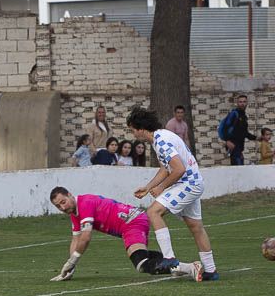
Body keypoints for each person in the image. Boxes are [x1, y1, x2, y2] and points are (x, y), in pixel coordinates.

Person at [128, 106, 219, 281]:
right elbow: (166, 168)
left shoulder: (161, 141)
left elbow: (178, 169)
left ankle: (169, 258)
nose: (133, 134)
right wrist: (148, 187)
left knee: (153, 212)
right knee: (196, 227)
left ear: (140, 128)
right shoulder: (161, 137)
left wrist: (161, 188)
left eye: (132, 130)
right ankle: (210, 270)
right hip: (193, 182)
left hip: (188, 184)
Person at [48, 187, 199, 281]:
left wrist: (73, 261)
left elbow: (86, 238)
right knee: (143, 260)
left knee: (141, 264)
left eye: (63, 201)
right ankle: (173, 265)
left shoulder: (85, 203)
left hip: (132, 222)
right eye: (58, 206)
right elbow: (76, 239)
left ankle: (189, 267)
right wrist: (70, 267)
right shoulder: (74, 213)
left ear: (69, 195)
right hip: (130, 224)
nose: (62, 207)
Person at [220, 93, 256, 165]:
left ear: (247, 103)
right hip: (233, 146)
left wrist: (256, 138)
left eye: (244, 102)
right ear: (237, 103)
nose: (242, 104)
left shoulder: (243, 116)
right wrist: (227, 141)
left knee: (239, 169)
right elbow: (225, 127)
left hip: (239, 149)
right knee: (238, 169)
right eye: (240, 102)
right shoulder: (234, 114)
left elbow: (245, 133)